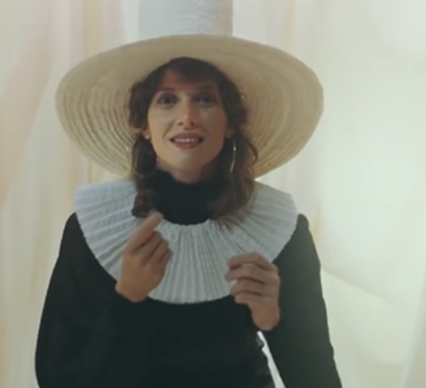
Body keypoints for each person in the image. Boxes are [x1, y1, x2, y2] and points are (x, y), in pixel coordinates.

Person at [35, 8, 342, 388]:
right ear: (143, 124)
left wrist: (273, 320)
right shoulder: (93, 229)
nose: (187, 116)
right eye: (167, 100)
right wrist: (126, 298)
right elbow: (57, 378)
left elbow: (320, 381)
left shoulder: (280, 229)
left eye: (205, 99)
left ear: (231, 121)